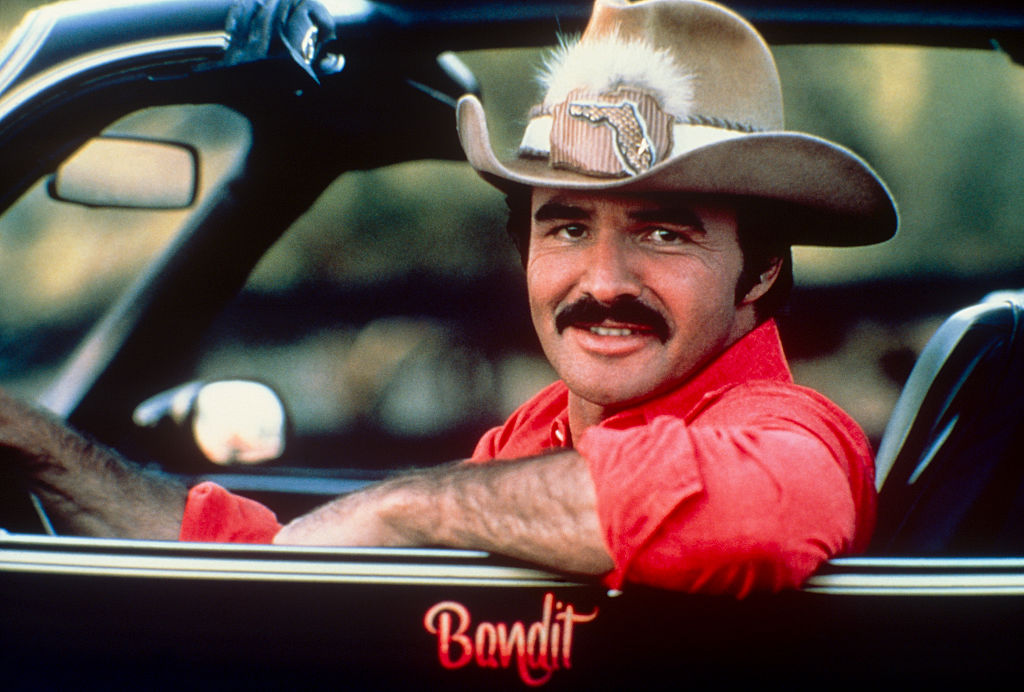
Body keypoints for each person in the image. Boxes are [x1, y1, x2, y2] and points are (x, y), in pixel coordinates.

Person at [0, 0, 897, 597]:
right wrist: (42, 448)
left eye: (666, 233)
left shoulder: (795, 435)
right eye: (568, 226)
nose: (603, 282)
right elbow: (281, 565)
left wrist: (404, 508)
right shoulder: (539, 435)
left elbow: (747, 514)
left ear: (763, 269)